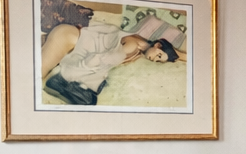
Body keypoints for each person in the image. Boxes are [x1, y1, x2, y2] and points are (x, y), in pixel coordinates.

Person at [39, 21, 177, 106]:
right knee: (36, 79)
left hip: (72, 43)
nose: (155, 59)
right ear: (158, 44)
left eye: (159, 60)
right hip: (69, 38)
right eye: (158, 55)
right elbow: (104, 58)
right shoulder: (134, 46)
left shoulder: (138, 45)